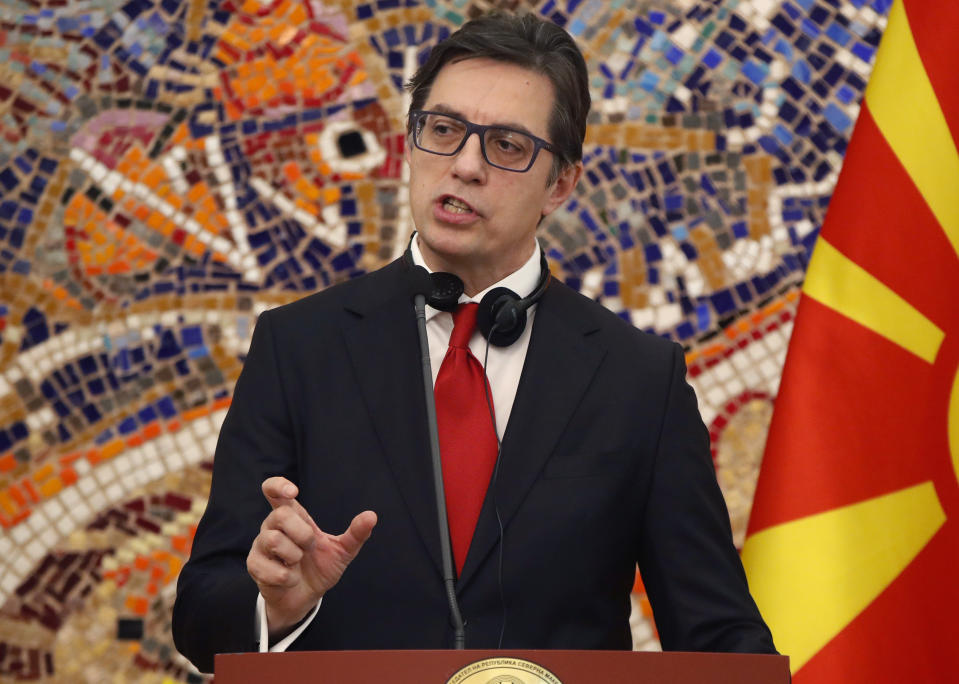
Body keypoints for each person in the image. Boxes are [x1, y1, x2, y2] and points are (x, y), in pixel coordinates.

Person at [172, 12, 776, 673]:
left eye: (507, 146)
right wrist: (277, 605)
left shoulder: (637, 378)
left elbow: (718, 637)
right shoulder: (297, 347)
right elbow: (201, 620)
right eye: (443, 130)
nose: (463, 165)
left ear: (561, 184)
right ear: (410, 142)